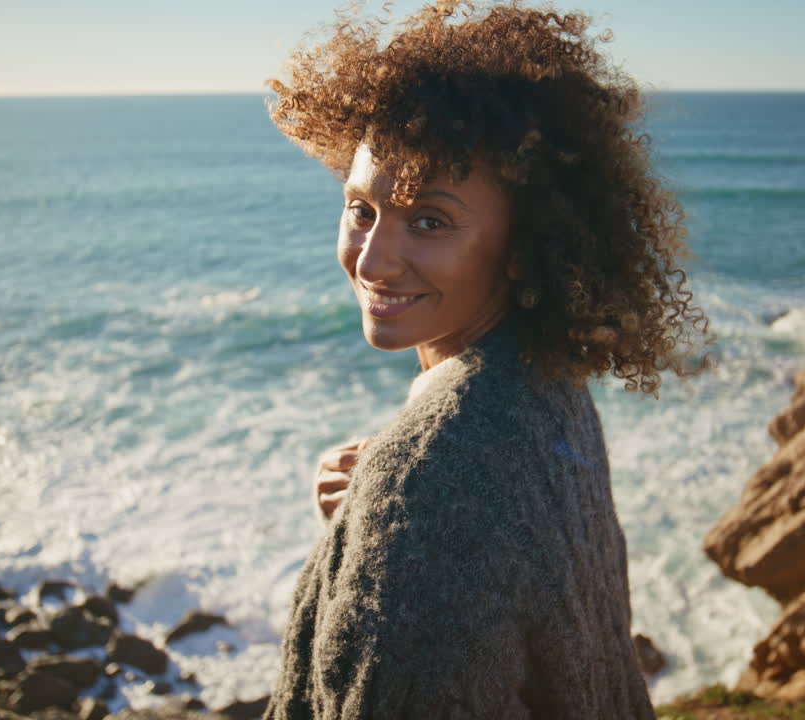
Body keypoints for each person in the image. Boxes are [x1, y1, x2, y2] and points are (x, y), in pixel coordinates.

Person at [263, 2, 707, 717]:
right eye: (360, 208)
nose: (373, 260)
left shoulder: (428, 483)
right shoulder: (547, 386)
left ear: (528, 244)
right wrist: (364, 535)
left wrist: (398, 513)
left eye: (429, 220)